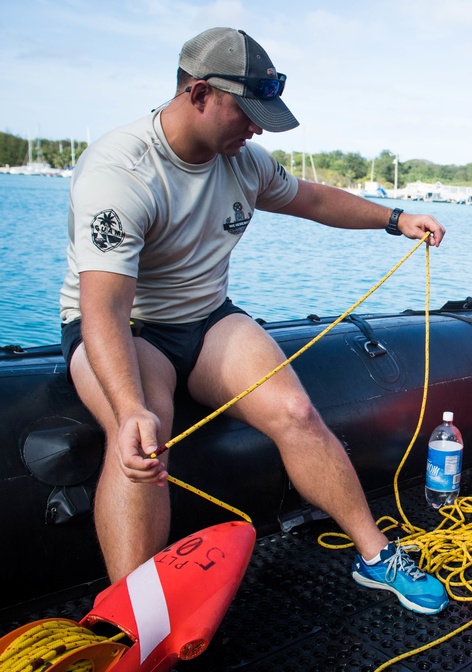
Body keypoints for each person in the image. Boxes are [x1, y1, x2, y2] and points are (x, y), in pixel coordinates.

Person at [60, 27, 449, 615]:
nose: (258, 128)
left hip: (208, 317)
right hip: (128, 327)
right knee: (142, 433)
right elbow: (105, 310)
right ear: (197, 94)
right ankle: (134, 614)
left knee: (295, 411)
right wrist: (131, 405)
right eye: (247, 112)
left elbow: (312, 200)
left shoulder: (241, 161)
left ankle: (375, 556)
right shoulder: (122, 172)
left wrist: (396, 219)